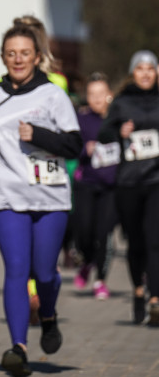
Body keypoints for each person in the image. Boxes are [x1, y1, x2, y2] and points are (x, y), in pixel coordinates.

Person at [0, 24, 82, 377]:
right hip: (6, 194)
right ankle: (18, 347)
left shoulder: (53, 95)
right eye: (11, 53)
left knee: (45, 273)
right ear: (3, 57)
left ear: (37, 57)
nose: (18, 59)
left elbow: (74, 145)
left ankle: (48, 315)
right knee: (17, 271)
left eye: (25, 53)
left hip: (49, 197)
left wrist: (39, 135)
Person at [98, 50, 159, 325]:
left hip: (156, 180)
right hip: (129, 183)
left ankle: (155, 298)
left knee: (155, 240)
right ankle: (137, 291)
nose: (146, 73)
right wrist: (119, 131)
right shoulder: (122, 103)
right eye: (140, 68)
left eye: (151, 68)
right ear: (133, 72)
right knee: (136, 243)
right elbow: (104, 133)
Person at [72, 73, 118, 298]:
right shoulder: (82, 119)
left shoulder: (118, 119)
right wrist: (85, 150)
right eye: (92, 94)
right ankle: (86, 261)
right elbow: (72, 145)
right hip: (87, 184)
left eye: (101, 94)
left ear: (109, 95)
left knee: (104, 235)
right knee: (85, 233)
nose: (97, 99)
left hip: (111, 187)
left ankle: (100, 279)